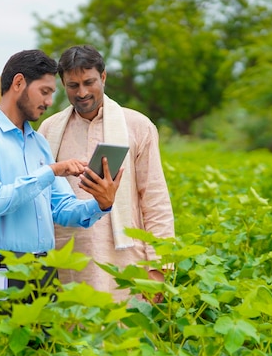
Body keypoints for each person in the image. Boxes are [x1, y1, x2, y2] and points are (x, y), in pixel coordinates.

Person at [0, 49, 122, 308]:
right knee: (0, 346)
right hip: (1, 270)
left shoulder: (39, 144)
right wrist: (51, 171)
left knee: (43, 348)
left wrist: (101, 204)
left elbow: (63, 209)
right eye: (44, 92)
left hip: (44, 272)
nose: (48, 102)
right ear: (19, 83)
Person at [38, 45, 175, 303]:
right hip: (69, 259)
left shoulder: (138, 126)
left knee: (126, 336)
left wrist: (159, 269)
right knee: (72, 335)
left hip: (125, 259)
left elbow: (155, 200)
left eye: (89, 82)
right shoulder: (49, 128)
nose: (82, 92)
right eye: (72, 85)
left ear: (103, 77)